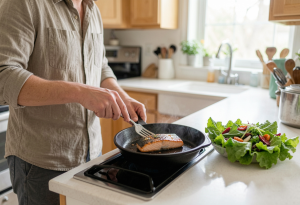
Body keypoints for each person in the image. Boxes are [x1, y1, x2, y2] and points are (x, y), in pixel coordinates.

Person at [0, 0, 146, 204]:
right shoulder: (24, 3)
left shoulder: (93, 9)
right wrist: (81, 92)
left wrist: (123, 97)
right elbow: (4, 76)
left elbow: (101, 66)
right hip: (42, 162)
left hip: (92, 157)